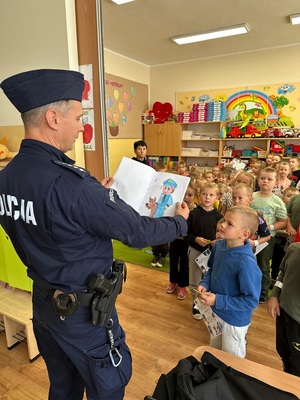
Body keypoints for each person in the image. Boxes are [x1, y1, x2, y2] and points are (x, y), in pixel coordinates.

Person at [0, 69, 189, 400]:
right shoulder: (72, 186)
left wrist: (90, 204)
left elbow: (42, 224)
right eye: (78, 117)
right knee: (109, 385)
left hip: (44, 303)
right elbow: (137, 232)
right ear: (53, 118)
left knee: (62, 386)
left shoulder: (8, 176)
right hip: (83, 314)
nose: (80, 126)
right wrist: (180, 222)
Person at [197, 205, 262, 358]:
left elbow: (250, 301)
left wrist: (217, 299)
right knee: (214, 353)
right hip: (215, 312)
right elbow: (211, 269)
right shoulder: (218, 246)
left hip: (234, 321)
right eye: (224, 220)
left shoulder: (246, 263)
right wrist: (205, 284)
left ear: (244, 234)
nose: (222, 225)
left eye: (230, 224)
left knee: (232, 362)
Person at [250, 167, 288, 303]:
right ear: (258, 180)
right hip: (250, 237)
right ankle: (250, 289)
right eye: (262, 178)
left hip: (267, 239)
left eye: (269, 179)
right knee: (249, 264)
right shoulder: (252, 197)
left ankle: (263, 292)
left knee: (263, 265)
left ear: (276, 183)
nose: (265, 181)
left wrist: (269, 227)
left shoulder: (277, 201)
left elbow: (283, 222)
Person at [186, 182, 223, 319]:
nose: (207, 197)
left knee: (210, 277)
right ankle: (196, 303)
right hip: (195, 251)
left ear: (217, 197)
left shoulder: (219, 216)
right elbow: (185, 233)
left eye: (211, 195)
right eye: (204, 194)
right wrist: (195, 239)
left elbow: (222, 234)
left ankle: (207, 301)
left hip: (213, 253)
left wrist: (217, 241)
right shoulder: (193, 214)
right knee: (195, 278)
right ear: (199, 195)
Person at [267, 242, 300, 377]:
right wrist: (275, 295)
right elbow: (282, 273)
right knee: (283, 350)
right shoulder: (294, 249)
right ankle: (287, 373)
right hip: (284, 312)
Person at [166, 180, 197, 300]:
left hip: (186, 242)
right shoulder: (175, 206)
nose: (187, 198)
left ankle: (182, 285)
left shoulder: (194, 211)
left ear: (195, 196)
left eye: (190, 195)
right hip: (174, 239)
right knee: (173, 261)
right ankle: (173, 281)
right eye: (184, 194)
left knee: (184, 264)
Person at [270, 187, 299, 286]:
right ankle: (274, 280)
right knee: (279, 262)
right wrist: (288, 228)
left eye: (293, 196)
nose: (291, 198)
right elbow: (285, 218)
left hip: (294, 240)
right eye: (289, 196)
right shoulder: (283, 207)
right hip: (283, 240)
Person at [232, 183, 270, 250]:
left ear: (250, 200)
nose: (236, 201)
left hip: (247, 251)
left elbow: (267, 236)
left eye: (240, 198)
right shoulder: (229, 215)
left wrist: (255, 243)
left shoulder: (257, 217)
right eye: (234, 198)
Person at [150, 162, 170, 268]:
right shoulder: (152, 186)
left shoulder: (168, 189)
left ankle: (162, 256)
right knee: (154, 237)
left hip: (163, 217)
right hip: (154, 217)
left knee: (164, 238)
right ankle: (156, 255)